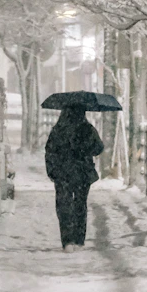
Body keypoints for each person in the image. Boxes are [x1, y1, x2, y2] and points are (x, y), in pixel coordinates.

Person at [44, 106, 104, 251]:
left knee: (64, 205)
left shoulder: (58, 130)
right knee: (80, 205)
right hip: (82, 173)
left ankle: (67, 240)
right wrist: (85, 150)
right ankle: (79, 239)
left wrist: (52, 171)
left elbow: (50, 151)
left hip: (63, 173)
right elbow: (99, 148)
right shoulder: (87, 129)